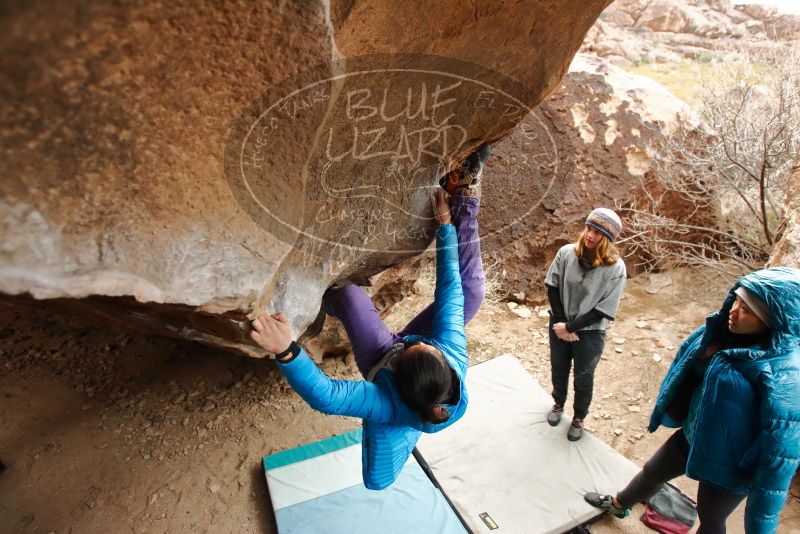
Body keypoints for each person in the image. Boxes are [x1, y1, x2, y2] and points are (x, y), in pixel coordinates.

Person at [250, 146, 490, 490]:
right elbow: (451, 289)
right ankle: (463, 191)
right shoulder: (452, 353)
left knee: (377, 481)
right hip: (417, 389)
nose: (415, 340)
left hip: (381, 361)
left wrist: (286, 350)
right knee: (471, 293)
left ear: (396, 377)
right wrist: (446, 225)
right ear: (446, 367)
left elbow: (328, 396)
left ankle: (404, 430)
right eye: (427, 346)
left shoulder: (384, 403)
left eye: (414, 347)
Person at [585, 267, 800, 533]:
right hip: (693, 434)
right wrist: (703, 360)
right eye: (737, 300)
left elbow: (782, 454)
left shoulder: (785, 374)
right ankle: (618, 504)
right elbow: (696, 378)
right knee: (653, 470)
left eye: (747, 310)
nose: (734, 311)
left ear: (771, 321)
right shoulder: (723, 334)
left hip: (729, 464)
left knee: (710, 518)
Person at [544, 208, 626, 441]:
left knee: (583, 376)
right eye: (589, 228)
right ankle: (558, 404)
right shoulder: (567, 253)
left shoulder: (616, 268)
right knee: (559, 369)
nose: (590, 235)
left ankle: (579, 417)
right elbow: (552, 286)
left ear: (607, 239)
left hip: (590, 332)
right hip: (560, 321)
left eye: (597, 232)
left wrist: (571, 328)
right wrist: (561, 323)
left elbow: (604, 309)